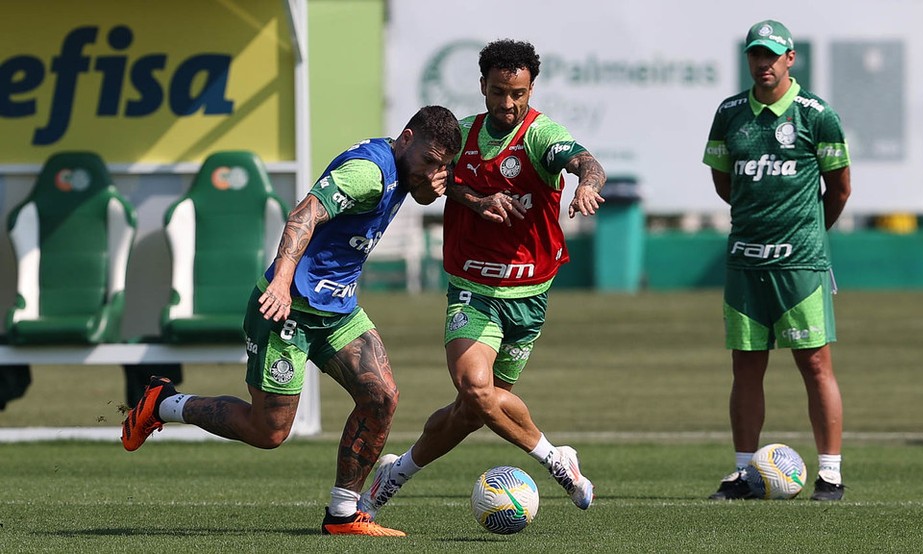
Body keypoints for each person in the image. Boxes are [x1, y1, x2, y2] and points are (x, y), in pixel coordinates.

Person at [121, 105, 463, 536]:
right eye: (430, 162)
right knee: (268, 432)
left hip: (337, 311)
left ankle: (343, 514)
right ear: (407, 137)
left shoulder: (403, 166)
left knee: (382, 397)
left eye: (443, 165)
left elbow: (421, 190)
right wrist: (281, 282)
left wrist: (435, 186)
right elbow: (304, 215)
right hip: (289, 309)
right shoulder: (368, 175)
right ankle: (163, 403)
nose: (435, 172)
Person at [358, 39, 607, 518]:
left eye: (518, 93)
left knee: (475, 409)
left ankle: (397, 472)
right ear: (482, 88)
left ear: (531, 88)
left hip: (529, 295)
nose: (508, 104)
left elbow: (585, 162)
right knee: (476, 389)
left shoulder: (540, 135)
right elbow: (435, 189)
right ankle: (557, 460)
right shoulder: (463, 136)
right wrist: (474, 200)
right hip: (473, 290)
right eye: (498, 92)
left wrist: (587, 186)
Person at [701, 20, 851, 501]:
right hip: (745, 260)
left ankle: (829, 473)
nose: (762, 64)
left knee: (816, 365)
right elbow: (725, 183)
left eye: (772, 55)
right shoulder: (729, 114)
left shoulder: (816, 115)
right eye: (755, 55)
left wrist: (806, 233)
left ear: (790, 59)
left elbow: (841, 188)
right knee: (745, 367)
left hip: (801, 263)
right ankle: (744, 472)